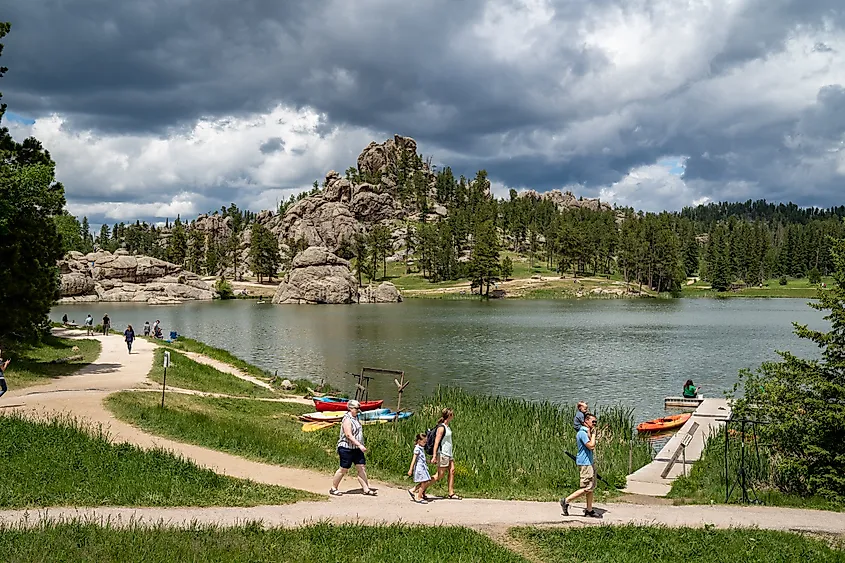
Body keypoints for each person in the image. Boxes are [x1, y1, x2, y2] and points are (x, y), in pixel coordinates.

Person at [330, 400, 376, 497]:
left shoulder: (356, 418)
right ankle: (334, 488)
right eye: (356, 408)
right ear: (350, 408)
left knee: (361, 467)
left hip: (356, 449)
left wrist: (359, 445)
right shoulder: (347, 419)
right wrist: (359, 445)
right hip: (346, 448)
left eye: (359, 408)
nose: (358, 410)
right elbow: (348, 435)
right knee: (344, 469)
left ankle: (366, 489)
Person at [561, 413, 600, 518]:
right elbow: (591, 446)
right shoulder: (582, 433)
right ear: (586, 421)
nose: (595, 424)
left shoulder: (587, 432)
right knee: (587, 487)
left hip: (589, 462)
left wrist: (591, 433)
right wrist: (594, 435)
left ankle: (589, 510)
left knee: (591, 487)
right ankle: (566, 500)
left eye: (596, 422)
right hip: (585, 463)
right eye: (593, 422)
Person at [430, 408, 461, 500]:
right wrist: (434, 455)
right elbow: (436, 442)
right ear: (449, 416)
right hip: (443, 453)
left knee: (452, 471)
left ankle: (451, 493)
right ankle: (419, 488)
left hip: (449, 453)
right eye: (452, 414)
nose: (453, 416)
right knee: (439, 475)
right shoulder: (441, 427)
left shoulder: (447, 427)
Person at [407, 433, 432, 504]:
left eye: (425, 442)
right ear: (419, 441)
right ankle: (419, 496)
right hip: (420, 468)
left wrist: (429, 461)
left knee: (425, 481)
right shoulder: (417, 449)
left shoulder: (421, 449)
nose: (425, 443)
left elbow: (422, 459)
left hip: (423, 467)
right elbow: (414, 459)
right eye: (424, 442)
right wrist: (410, 469)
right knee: (424, 482)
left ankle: (413, 490)